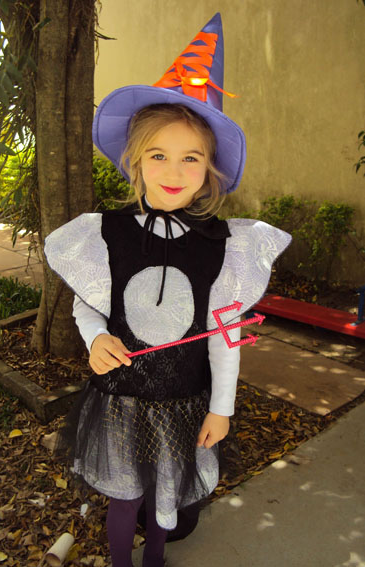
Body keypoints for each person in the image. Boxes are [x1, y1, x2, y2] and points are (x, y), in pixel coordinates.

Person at [44, 13, 291, 567]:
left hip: (183, 401)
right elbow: (89, 304)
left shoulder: (222, 247)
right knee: (124, 496)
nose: (173, 171)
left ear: (209, 170)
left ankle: (154, 558)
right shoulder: (106, 235)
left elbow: (225, 337)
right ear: (135, 160)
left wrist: (222, 408)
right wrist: (95, 338)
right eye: (158, 155)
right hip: (121, 401)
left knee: (166, 494)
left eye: (190, 158)